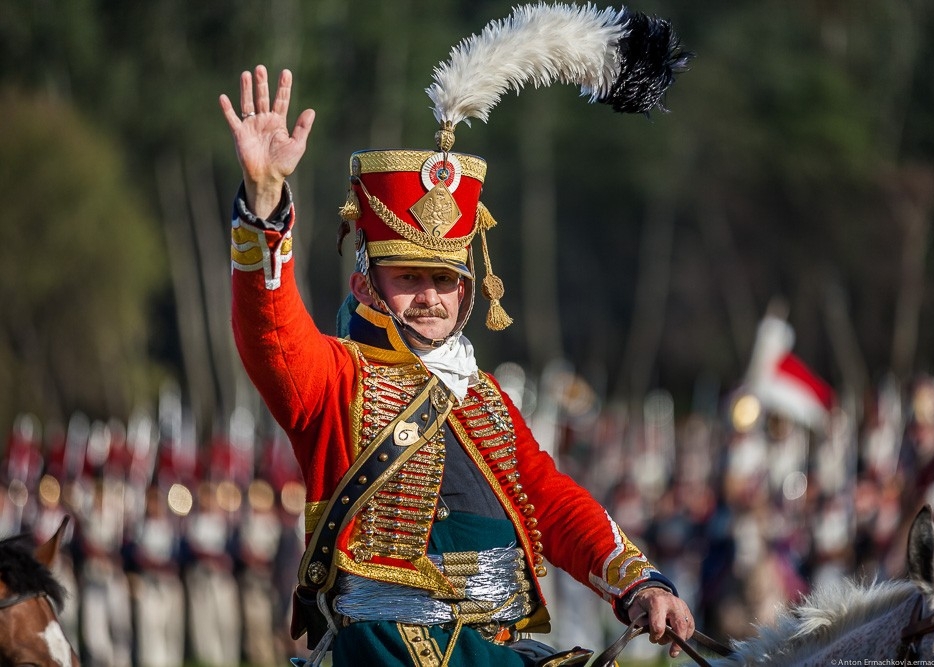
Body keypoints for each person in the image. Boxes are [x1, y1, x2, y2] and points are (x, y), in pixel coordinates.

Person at [219, 5, 693, 665]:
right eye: (410, 277)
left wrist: (638, 579)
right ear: (365, 286)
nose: (432, 296)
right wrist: (265, 202)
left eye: (445, 280)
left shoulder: (486, 397)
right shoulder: (337, 378)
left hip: (496, 646)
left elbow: (550, 500)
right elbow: (270, 334)